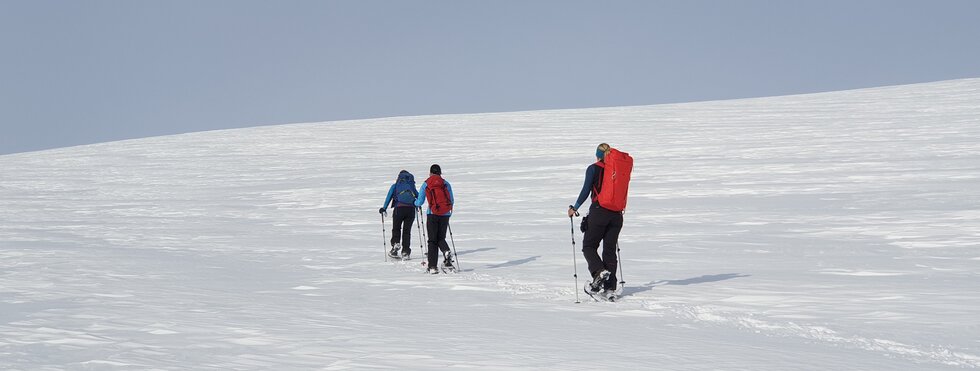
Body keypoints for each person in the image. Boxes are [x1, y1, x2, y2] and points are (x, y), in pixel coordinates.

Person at [568, 143, 625, 300]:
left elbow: (586, 190)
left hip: (599, 212)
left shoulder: (593, 168)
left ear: (597, 155)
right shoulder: (616, 170)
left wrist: (575, 207)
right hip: (617, 215)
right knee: (609, 250)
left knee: (589, 246)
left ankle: (599, 272)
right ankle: (610, 289)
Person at [415, 164, 455, 274]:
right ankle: (446, 251)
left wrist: (415, 203)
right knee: (441, 238)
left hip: (432, 213)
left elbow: (420, 201)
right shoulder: (446, 183)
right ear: (440, 172)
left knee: (432, 240)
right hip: (445, 214)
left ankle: (432, 267)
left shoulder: (427, 183)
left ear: (430, 172)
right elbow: (451, 200)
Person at [380, 170, 418, 259]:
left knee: (396, 228)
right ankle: (405, 252)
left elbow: (389, 197)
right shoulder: (411, 186)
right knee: (407, 231)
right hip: (411, 210)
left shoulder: (396, 186)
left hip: (399, 209)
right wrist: (417, 204)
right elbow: (418, 196)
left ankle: (395, 245)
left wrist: (384, 208)